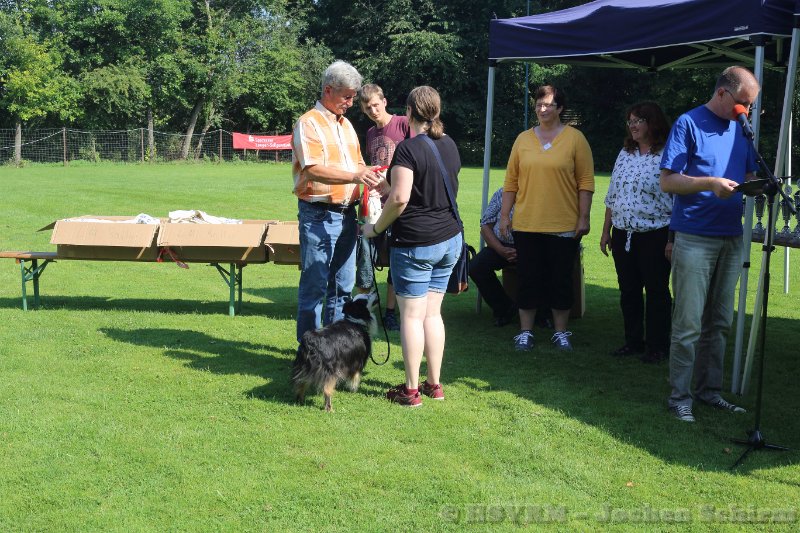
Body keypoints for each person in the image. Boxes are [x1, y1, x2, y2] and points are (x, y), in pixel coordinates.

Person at [660, 65, 759, 423]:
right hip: (694, 237)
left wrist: (762, 184)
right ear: (722, 93)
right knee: (688, 324)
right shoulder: (688, 123)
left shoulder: (741, 128)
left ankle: (709, 391)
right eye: (743, 102)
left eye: (751, 105)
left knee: (719, 322)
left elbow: (748, 174)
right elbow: (668, 181)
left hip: (731, 236)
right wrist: (710, 183)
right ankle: (679, 398)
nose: (746, 110)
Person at [362, 86, 462, 407]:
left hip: (417, 242)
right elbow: (426, 188)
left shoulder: (407, 149)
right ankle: (434, 384)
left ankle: (410, 391)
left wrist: (375, 228)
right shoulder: (450, 144)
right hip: (450, 238)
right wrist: (388, 186)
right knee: (433, 314)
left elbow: (400, 200)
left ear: (408, 112)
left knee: (411, 317)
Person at [291, 60, 383, 343]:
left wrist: (371, 177)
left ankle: (335, 349)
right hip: (318, 214)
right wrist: (355, 175)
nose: (352, 103)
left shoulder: (346, 126)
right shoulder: (308, 123)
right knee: (315, 285)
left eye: (353, 96)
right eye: (347, 96)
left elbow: (358, 164)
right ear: (328, 90)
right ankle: (309, 351)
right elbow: (312, 169)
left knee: (343, 287)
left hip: (347, 215)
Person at [499, 85, 595, 352]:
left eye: (548, 105)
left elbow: (586, 182)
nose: (542, 109)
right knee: (528, 280)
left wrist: (584, 217)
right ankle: (525, 332)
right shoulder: (523, 139)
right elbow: (511, 181)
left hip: (563, 225)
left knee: (560, 281)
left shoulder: (575, 139)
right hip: (527, 224)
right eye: (539, 105)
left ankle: (561, 332)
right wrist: (505, 215)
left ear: (560, 108)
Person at [600, 102, 673, 364]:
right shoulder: (625, 153)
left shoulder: (667, 154)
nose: (632, 126)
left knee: (656, 291)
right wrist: (606, 231)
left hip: (655, 234)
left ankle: (657, 346)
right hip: (623, 233)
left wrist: (671, 239)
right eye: (630, 121)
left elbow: (677, 200)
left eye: (638, 120)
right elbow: (613, 193)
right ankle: (632, 341)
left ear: (653, 123)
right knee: (628, 290)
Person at [354, 84, 412, 331]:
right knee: (365, 252)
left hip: (399, 202)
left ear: (385, 102)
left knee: (396, 257)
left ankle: (390, 312)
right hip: (375, 204)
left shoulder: (403, 124)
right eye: (367, 108)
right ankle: (363, 306)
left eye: (376, 105)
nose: (373, 111)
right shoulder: (370, 133)